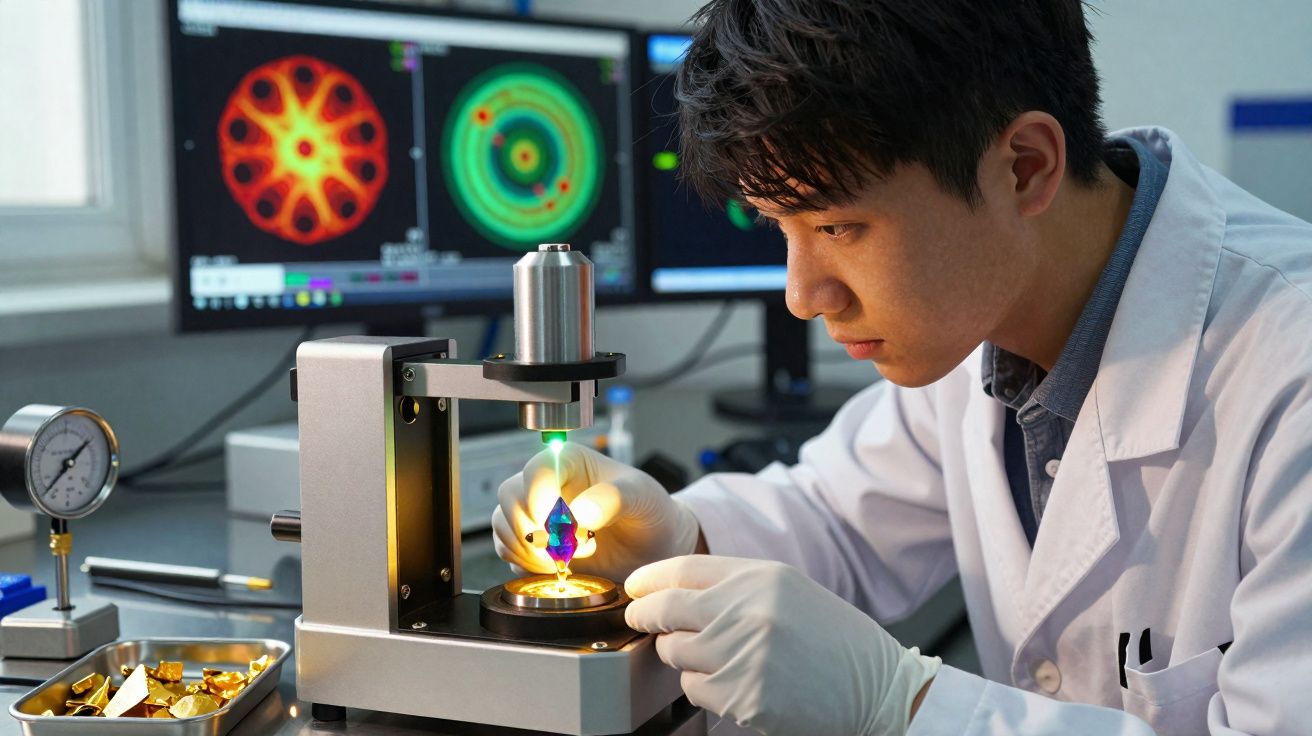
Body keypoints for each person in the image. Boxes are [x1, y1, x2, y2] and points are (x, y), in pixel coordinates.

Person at [493, 1, 1312, 733]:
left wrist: (906, 704)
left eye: (839, 226)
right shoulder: (979, 316)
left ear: (1025, 166)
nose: (803, 296)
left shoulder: (1289, 373)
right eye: (781, 227)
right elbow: (842, 520)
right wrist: (680, 533)